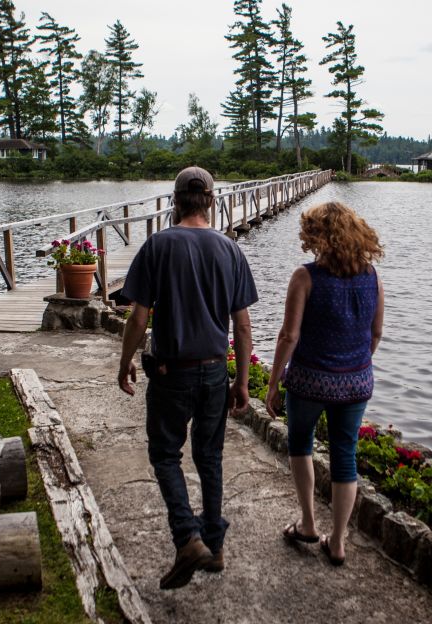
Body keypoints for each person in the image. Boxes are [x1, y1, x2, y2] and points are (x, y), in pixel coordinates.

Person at [118, 166, 257, 589]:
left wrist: (124, 362)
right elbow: (244, 325)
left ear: (175, 202)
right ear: (211, 201)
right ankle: (212, 546)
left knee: (165, 455)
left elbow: (139, 316)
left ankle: (188, 537)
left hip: (170, 372)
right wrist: (242, 380)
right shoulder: (230, 250)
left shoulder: (157, 246)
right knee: (209, 457)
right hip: (215, 371)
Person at [265, 201, 385, 566]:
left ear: (318, 235)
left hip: (309, 381)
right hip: (356, 382)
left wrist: (273, 383)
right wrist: (354, 363)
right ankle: (338, 542)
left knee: (300, 446)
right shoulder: (373, 277)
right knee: (345, 456)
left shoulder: (306, 277)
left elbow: (289, 335)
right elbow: (375, 334)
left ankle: (308, 524)